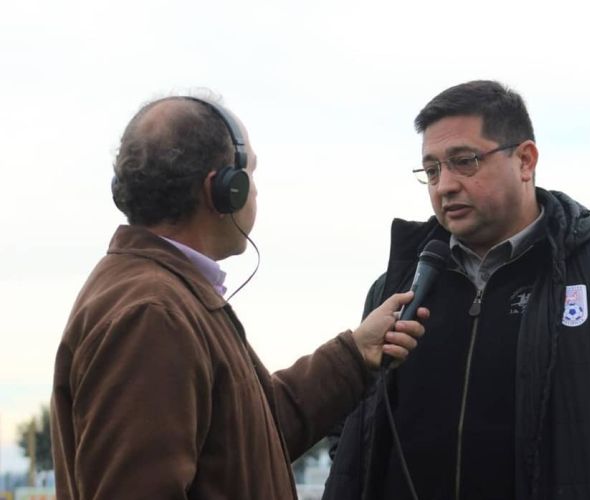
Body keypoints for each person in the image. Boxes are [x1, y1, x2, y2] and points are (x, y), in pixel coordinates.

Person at [323, 80, 590, 499]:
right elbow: (354, 432)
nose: (444, 185)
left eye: (464, 161)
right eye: (431, 170)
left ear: (525, 160)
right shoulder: (397, 288)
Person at [50, 95, 428, 500]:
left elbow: (252, 435)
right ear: (223, 189)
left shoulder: (166, 295)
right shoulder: (152, 315)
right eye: (249, 173)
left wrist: (356, 353)